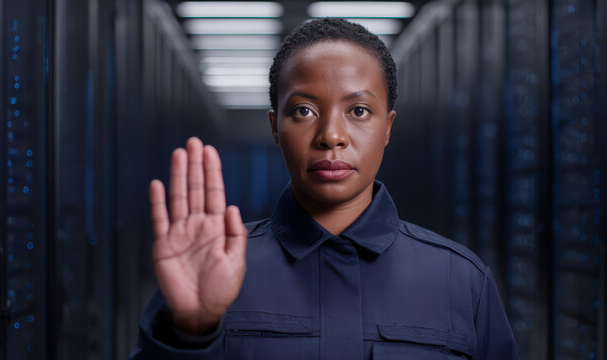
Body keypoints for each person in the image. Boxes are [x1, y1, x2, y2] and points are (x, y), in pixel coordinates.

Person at [129, 18, 519, 359]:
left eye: (359, 111)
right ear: (274, 128)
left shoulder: (462, 282)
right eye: (303, 111)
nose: (331, 136)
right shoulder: (211, 268)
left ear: (388, 128)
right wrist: (191, 332)